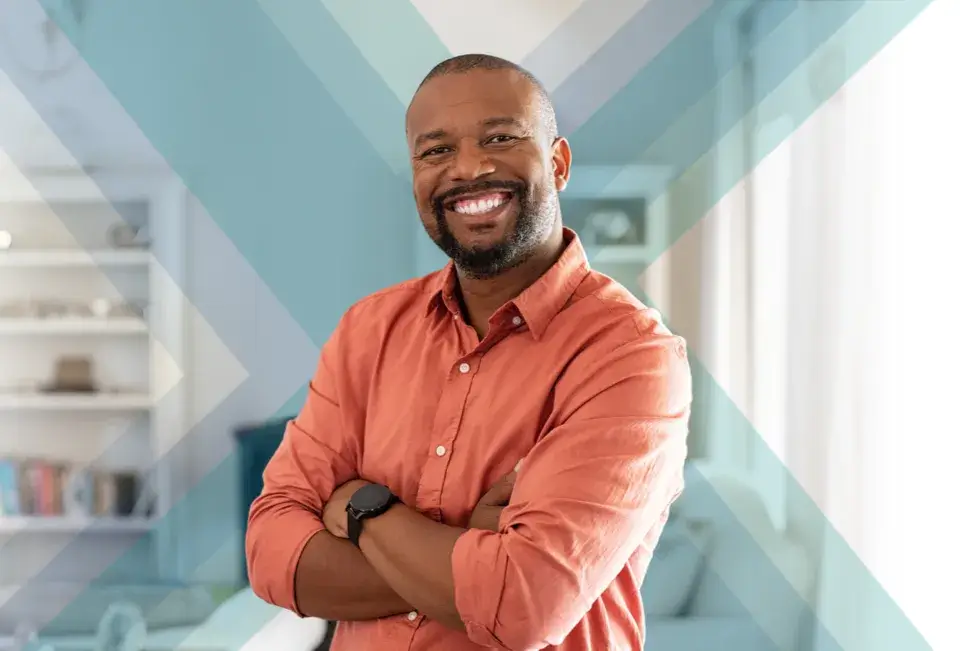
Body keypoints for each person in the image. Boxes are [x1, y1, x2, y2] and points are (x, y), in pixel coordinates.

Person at [246, 53, 692, 651]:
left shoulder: (631, 356)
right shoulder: (368, 330)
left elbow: (525, 605)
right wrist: (465, 549)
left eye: (500, 138)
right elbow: (272, 552)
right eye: (435, 151)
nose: (469, 169)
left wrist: (363, 510)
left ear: (557, 163)